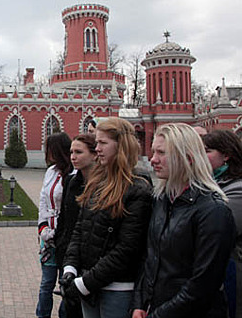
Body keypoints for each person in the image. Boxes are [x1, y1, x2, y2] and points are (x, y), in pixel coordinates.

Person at [132, 123, 236, 318]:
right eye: (154, 151)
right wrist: (140, 303)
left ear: (187, 157)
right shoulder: (162, 200)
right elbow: (149, 258)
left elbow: (203, 286)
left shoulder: (213, 211)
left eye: (161, 153)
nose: (153, 160)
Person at [60, 117, 153, 318]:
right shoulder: (96, 183)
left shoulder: (138, 189)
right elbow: (79, 231)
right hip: (88, 285)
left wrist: (83, 284)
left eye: (103, 143)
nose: (98, 148)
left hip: (117, 290)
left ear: (121, 146)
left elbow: (127, 249)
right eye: (96, 143)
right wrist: (70, 269)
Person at [54, 133, 97, 318]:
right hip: (69, 257)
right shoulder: (71, 182)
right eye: (71, 152)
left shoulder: (104, 186)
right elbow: (64, 218)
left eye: (78, 152)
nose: (73, 156)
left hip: (91, 263)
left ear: (95, 154)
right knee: (68, 308)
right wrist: (60, 244)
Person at [203, 130, 242, 318]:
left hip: (232, 278)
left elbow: (215, 233)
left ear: (226, 155)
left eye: (207, 151)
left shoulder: (237, 190)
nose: (201, 157)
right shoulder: (213, 185)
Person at [36, 132, 74, 318]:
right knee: (46, 283)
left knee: (65, 284)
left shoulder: (75, 175)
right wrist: (43, 227)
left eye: (50, 150)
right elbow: (43, 200)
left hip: (65, 240)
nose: (47, 154)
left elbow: (70, 210)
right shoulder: (50, 172)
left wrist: (57, 233)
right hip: (47, 237)